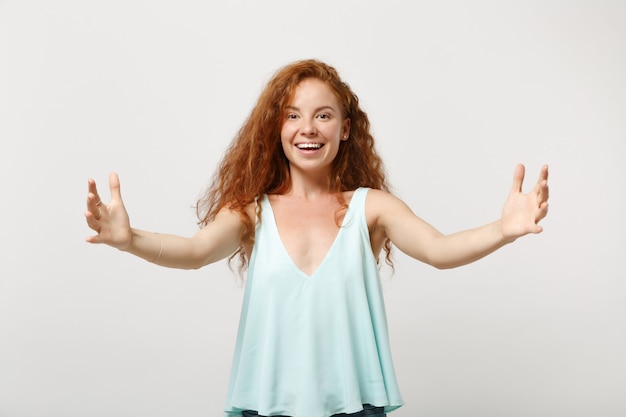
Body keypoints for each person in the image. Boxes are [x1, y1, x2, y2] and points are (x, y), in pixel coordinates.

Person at [84, 59, 549, 417]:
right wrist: (129, 239)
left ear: (345, 130)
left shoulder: (372, 206)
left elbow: (439, 250)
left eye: (323, 115)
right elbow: (193, 252)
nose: (308, 128)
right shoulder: (251, 210)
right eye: (293, 116)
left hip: (356, 404)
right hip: (266, 405)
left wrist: (503, 230)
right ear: (278, 129)